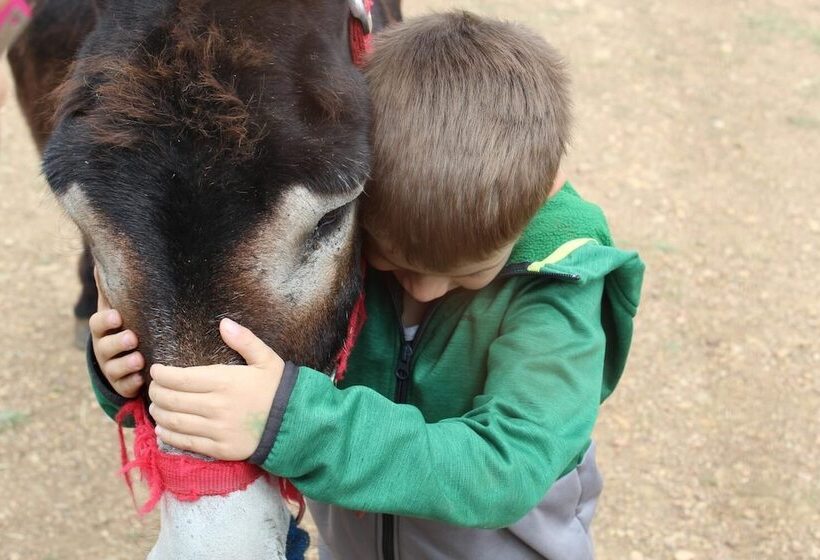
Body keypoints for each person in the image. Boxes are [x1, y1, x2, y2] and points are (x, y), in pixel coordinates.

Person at [88, 11, 644, 560]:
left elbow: (506, 469)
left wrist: (295, 423)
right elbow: (242, 364)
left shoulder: (562, 287)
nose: (423, 291)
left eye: (471, 271)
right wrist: (131, 373)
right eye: (394, 261)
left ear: (540, 195)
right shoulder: (358, 236)